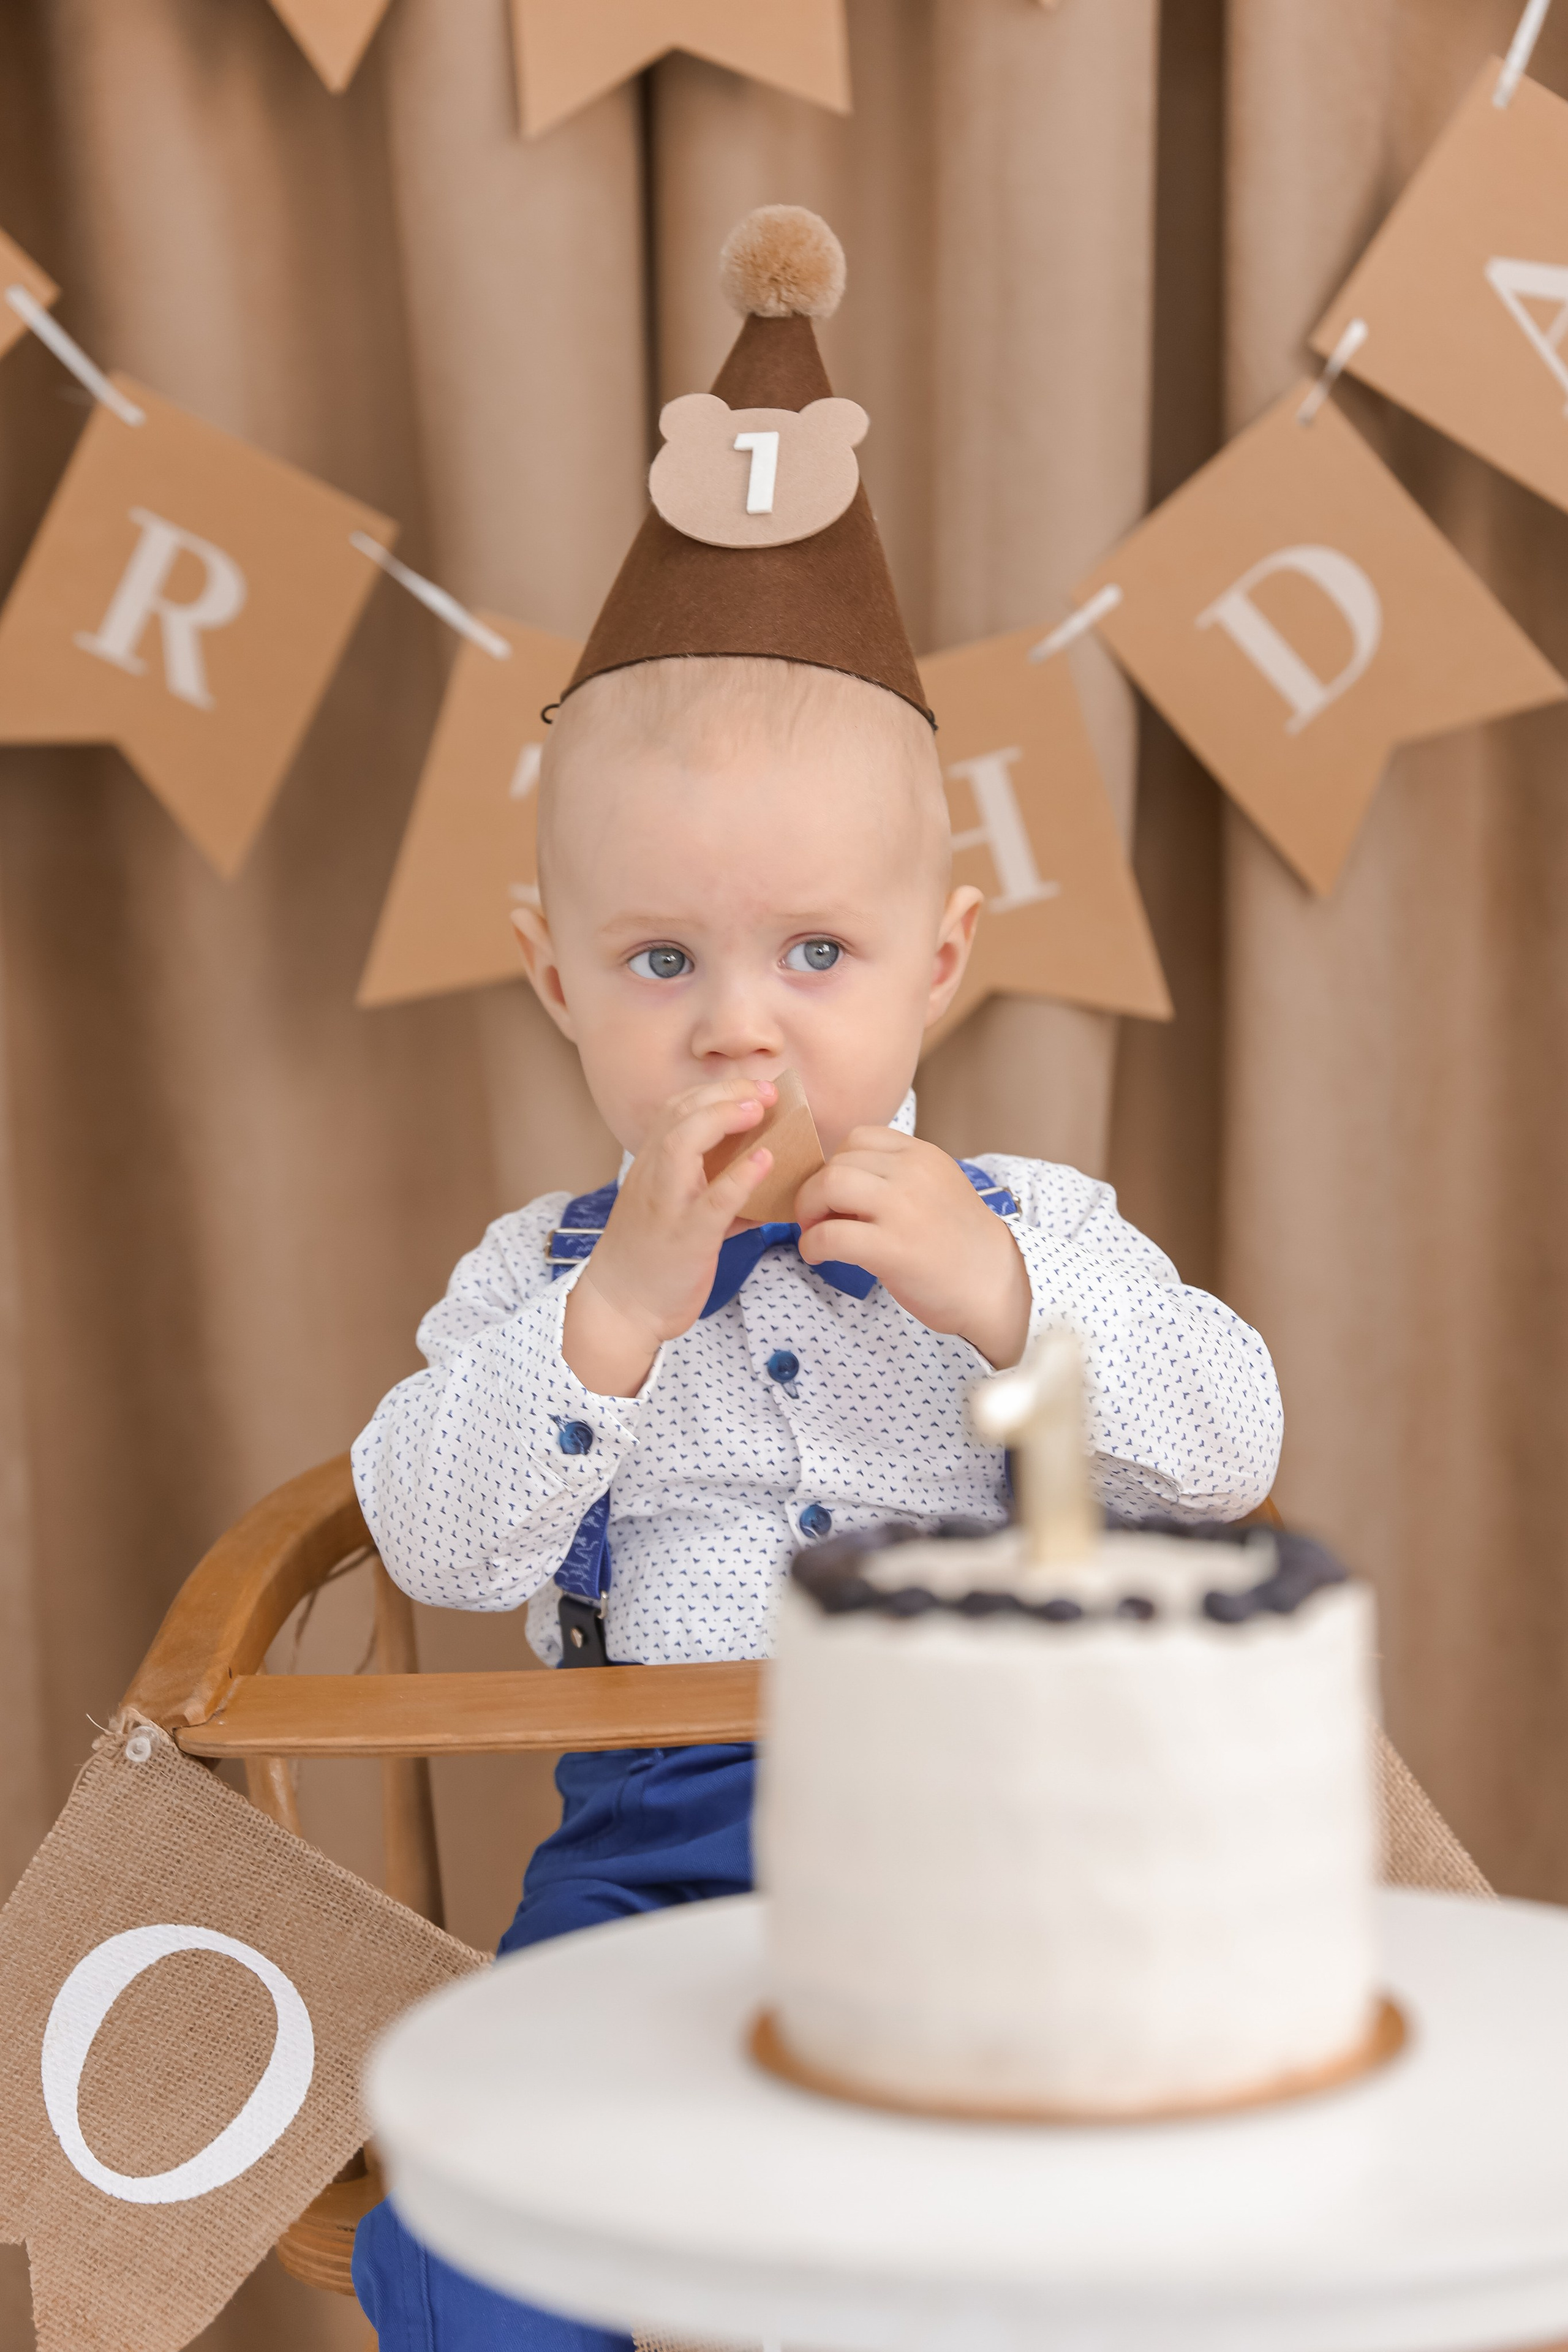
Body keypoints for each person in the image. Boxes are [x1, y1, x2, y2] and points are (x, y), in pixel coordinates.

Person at [351, 206, 1283, 2352]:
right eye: (663, 963)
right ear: (555, 980)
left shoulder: (1028, 1228)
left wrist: (1012, 1302)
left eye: (819, 957)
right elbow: (435, 1536)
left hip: (988, 1844)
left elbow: (1229, 1455)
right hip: (650, 1863)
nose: (736, 1031)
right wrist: (613, 1322)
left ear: (941, 964)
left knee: (1038, 2225)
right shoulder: (549, 1274)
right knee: (485, 2216)